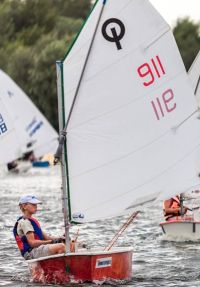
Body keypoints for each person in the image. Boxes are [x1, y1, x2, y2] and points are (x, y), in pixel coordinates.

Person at [13, 195, 66, 260]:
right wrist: (51, 242)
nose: (36, 206)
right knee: (61, 246)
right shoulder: (24, 222)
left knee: (70, 244)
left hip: (38, 249)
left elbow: (47, 238)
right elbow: (32, 243)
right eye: (33, 204)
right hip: (31, 252)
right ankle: (61, 267)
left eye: (36, 204)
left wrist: (60, 238)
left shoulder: (32, 221)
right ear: (24, 206)